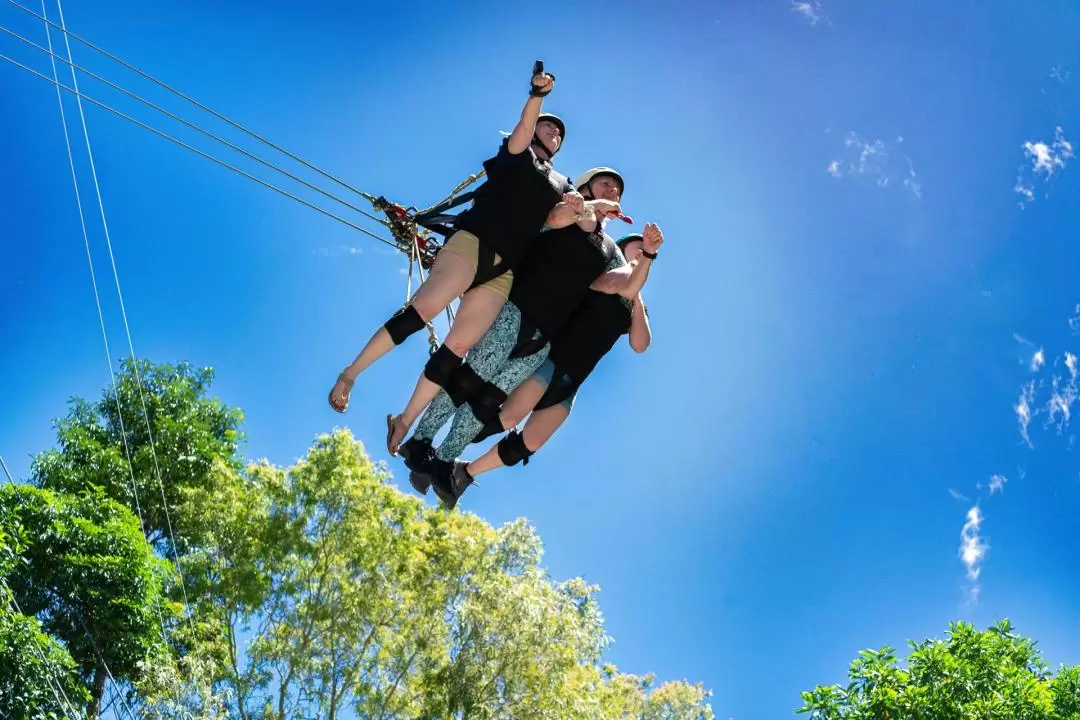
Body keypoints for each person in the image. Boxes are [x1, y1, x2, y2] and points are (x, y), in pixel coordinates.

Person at [327, 64, 582, 434]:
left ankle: (404, 420)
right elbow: (524, 128)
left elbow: (555, 219)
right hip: (474, 241)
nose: (554, 131)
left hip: (504, 267)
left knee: (458, 347)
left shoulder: (562, 183)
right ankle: (350, 374)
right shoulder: (517, 152)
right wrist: (537, 97)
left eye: (559, 132)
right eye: (549, 124)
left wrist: (583, 209)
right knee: (424, 310)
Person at [399, 173, 663, 509]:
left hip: (546, 334)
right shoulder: (573, 212)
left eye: (618, 190)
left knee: (488, 398)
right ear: (585, 187)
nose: (613, 191)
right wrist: (593, 206)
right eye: (605, 184)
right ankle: (420, 441)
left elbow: (623, 288)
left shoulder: (610, 251)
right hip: (519, 305)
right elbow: (564, 221)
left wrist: (647, 259)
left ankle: (444, 458)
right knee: (472, 379)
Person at [450, 232, 655, 489]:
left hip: (574, 377)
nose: (642, 256)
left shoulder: (637, 305)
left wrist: (637, 298)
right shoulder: (604, 270)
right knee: (508, 417)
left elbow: (640, 344)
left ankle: (465, 472)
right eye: (639, 249)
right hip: (551, 356)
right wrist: (635, 271)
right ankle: (446, 450)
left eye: (647, 254)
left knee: (531, 442)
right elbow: (614, 284)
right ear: (623, 250)